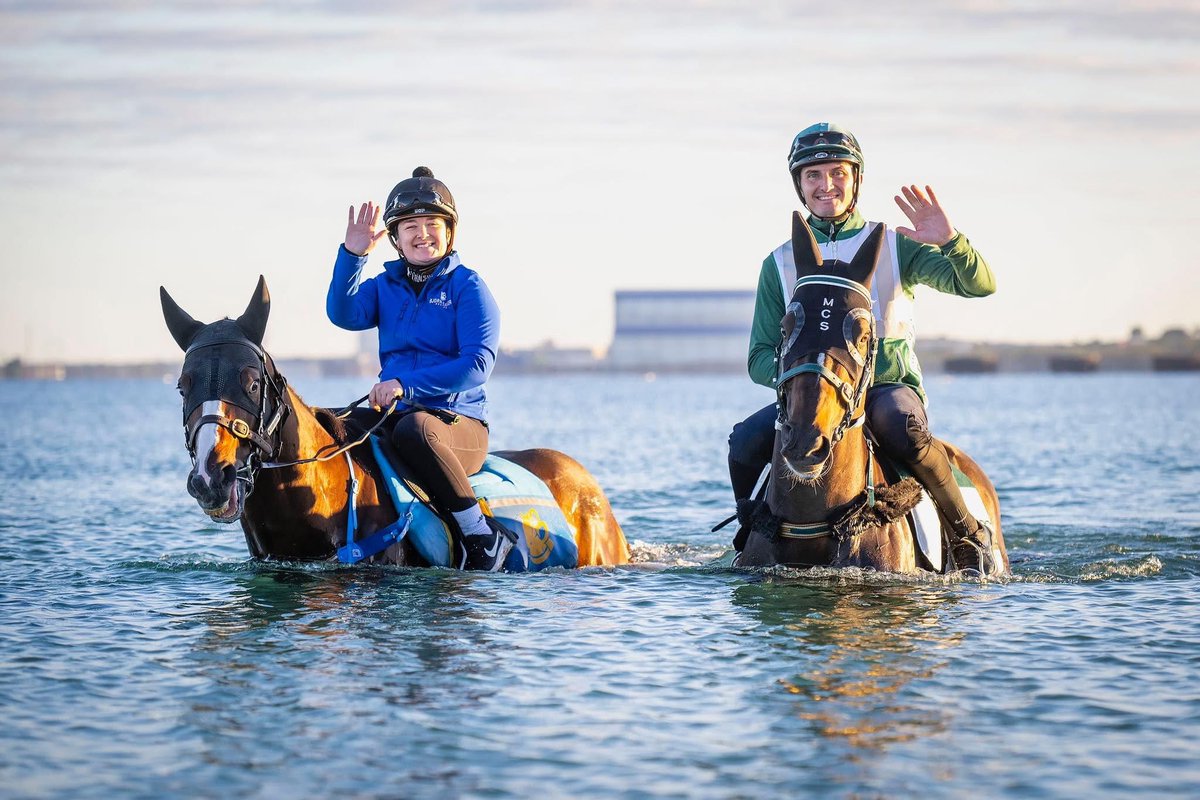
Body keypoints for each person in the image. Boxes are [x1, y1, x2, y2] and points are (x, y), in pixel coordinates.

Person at [727, 123, 996, 569]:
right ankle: (751, 529)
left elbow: (979, 285)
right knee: (744, 441)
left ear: (856, 180)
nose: (825, 185)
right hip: (816, 396)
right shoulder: (776, 263)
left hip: (889, 388)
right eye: (813, 175)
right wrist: (810, 380)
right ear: (799, 185)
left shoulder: (897, 245)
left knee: (900, 428)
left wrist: (950, 240)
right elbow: (758, 357)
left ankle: (966, 534)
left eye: (837, 173)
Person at [326, 166, 517, 571]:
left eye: (432, 223)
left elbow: (477, 366)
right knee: (333, 424)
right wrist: (352, 256)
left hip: (456, 425)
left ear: (449, 232)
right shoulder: (384, 286)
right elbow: (342, 313)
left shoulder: (468, 287)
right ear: (395, 238)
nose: (422, 233)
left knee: (416, 430)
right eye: (410, 225)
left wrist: (403, 386)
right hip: (395, 416)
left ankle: (481, 534)